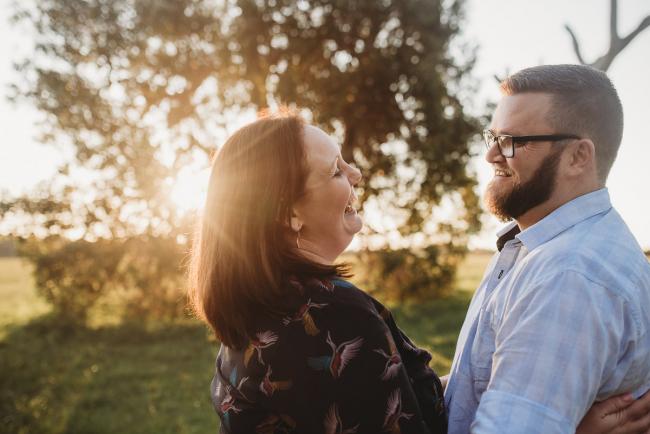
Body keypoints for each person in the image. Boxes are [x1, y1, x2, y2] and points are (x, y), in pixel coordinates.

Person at [189, 109, 650, 433]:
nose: (356, 175)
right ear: (288, 212)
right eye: (334, 170)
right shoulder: (333, 317)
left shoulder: (267, 304)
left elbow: (381, 397)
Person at [444, 64, 650, 434]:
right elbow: (472, 386)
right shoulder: (532, 245)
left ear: (578, 157)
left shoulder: (569, 275)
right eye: (492, 136)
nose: (491, 155)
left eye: (512, 141)